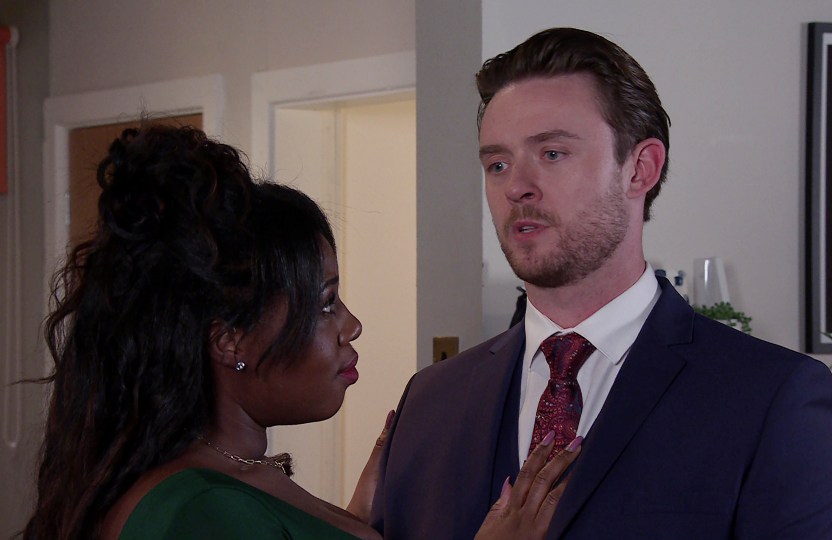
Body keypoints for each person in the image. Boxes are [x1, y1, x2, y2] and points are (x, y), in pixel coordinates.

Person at [372, 27, 832, 539]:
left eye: (552, 153)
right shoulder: (429, 402)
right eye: (498, 163)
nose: (516, 187)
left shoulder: (766, 398)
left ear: (641, 169)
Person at [21, 124, 577, 540]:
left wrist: (350, 523)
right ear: (229, 340)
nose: (351, 325)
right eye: (325, 304)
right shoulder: (199, 513)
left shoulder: (237, 477)